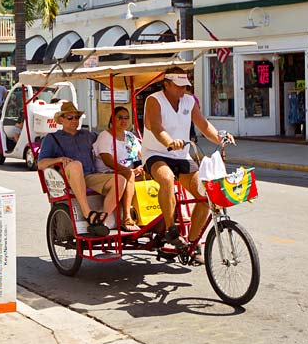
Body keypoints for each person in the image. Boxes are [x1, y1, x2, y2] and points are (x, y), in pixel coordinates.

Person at [142, 68, 235, 264]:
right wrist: (169, 141)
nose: (182, 90)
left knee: (205, 194)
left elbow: (203, 124)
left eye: (185, 86)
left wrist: (220, 137)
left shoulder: (189, 101)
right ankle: (171, 230)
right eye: (178, 86)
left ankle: (192, 243)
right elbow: (156, 127)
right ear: (166, 84)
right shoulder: (154, 100)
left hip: (182, 155)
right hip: (156, 154)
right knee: (166, 178)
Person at [38, 101, 125, 237]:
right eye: (70, 118)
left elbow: (105, 142)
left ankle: (102, 218)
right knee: (75, 165)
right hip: (68, 177)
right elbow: (41, 164)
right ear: (61, 120)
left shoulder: (88, 135)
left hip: (90, 175)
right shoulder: (52, 138)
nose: (74, 121)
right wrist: (59, 159)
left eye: (77, 117)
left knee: (120, 180)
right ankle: (88, 214)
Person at [93, 106, 143, 232]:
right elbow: (108, 161)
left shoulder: (131, 136)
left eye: (126, 118)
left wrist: (142, 167)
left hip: (130, 172)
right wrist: (129, 171)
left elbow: (141, 155)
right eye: (120, 117)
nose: (124, 121)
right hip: (108, 173)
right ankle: (127, 217)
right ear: (112, 119)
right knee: (128, 174)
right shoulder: (105, 136)